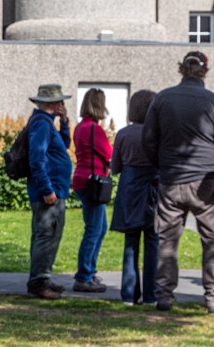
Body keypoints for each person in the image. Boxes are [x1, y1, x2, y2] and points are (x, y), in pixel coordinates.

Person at [141, 51, 214, 313]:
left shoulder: (162, 98)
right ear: (205, 71)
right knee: (212, 241)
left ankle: (164, 296)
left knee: (167, 240)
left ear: (182, 69)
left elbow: (148, 139)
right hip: (206, 180)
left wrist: (161, 164)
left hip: (171, 177)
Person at [24, 84, 74, 300]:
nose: (62, 105)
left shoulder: (47, 123)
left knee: (49, 234)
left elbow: (63, 145)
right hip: (49, 190)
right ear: (54, 103)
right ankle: (38, 282)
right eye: (60, 102)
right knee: (46, 234)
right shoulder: (42, 125)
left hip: (54, 188)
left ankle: (43, 277)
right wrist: (46, 188)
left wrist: (64, 123)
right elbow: (37, 158)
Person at [110, 89, 159, 306]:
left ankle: (128, 294)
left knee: (130, 243)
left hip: (129, 188)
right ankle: (151, 295)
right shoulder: (157, 134)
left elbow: (115, 167)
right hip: (153, 189)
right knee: (153, 242)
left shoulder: (122, 134)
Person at [70, 88, 113, 293]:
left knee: (99, 228)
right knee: (93, 230)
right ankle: (84, 276)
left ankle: (90, 271)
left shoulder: (80, 127)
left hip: (81, 178)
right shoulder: (95, 129)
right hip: (92, 182)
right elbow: (109, 153)